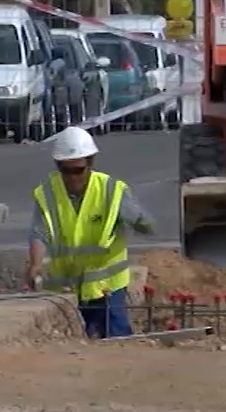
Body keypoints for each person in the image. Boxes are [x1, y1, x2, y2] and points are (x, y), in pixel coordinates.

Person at [25, 126, 155, 339]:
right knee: (76, 344)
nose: (72, 177)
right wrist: (36, 265)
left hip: (107, 286)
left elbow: (146, 223)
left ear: (90, 163)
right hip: (68, 286)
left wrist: (140, 221)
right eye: (66, 171)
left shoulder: (111, 190)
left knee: (115, 338)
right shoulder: (48, 193)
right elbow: (40, 232)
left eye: (78, 170)